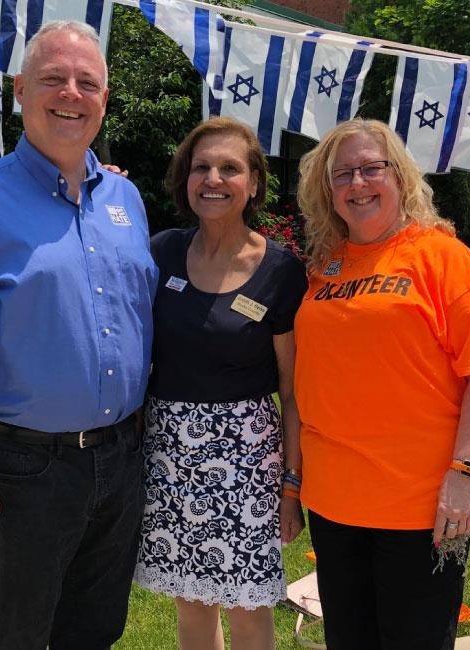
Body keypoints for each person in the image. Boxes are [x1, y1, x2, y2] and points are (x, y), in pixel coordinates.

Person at [0, 21, 156, 650]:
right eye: (53, 79)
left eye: (87, 82)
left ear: (104, 97)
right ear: (21, 91)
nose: (70, 93)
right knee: (16, 634)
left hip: (123, 457)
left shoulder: (125, 199)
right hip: (27, 468)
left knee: (95, 630)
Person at [291, 119, 470, 650]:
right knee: (349, 639)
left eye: (372, 168)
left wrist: (466, 473)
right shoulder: (326, 267)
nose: (358, 183)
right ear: (328, 190)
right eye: (342, 173)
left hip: (421, 504)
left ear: (401, 177)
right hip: (334, 499)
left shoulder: (444, 258)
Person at [133, 116, 308, 650]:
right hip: (168, 452)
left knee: (250, 604)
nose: (213, 178)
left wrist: (291, 487)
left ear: (253, 182)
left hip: (248, 458)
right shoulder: (160, 252)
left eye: (229, 168)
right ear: (185, 179)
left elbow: (293, 389)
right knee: (191, 601)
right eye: (201, 167)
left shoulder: (280, 270)